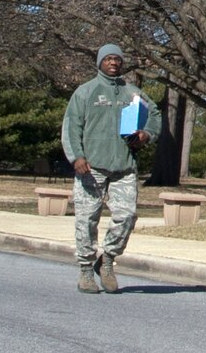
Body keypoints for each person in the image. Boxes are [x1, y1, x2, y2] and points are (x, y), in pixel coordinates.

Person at [61, 44, 160, 293]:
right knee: (86, 220)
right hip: (91, 168)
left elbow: (155, 114)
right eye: (108, 59)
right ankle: (85, 270)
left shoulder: (133, 93)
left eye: (117, 59)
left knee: (127, 217)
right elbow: (71, 127)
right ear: (100, 63)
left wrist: (147, 135)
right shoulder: (86, 92)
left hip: (124, 167)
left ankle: (106, 261)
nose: (113, 63)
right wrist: (77, 157)